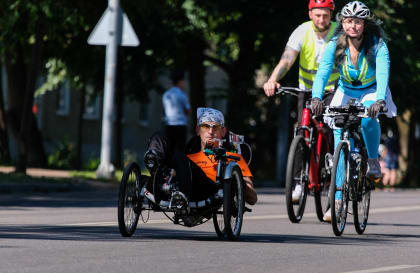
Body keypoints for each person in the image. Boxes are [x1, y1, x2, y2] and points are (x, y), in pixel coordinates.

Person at [310, 1, 397, 221]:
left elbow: (383, 73)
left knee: (369, 119)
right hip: (346, 89)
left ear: (364, 24)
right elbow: (323, 72)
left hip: (372, 90)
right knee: (338, 129)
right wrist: (317, 97)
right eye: (349, 21)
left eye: (358, 22)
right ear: (343, 23)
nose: (353, 26)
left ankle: (373, 160)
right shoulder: (335, 43)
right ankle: (338, 197)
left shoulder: (377, 44)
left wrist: (379, 100)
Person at [263, 0, 339, 202]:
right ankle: (297, 182)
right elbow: (287, 59)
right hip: (305, 89)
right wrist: (272, 80)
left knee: (331, 130)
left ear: (331, 14)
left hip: (332, 90)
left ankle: (332, 174)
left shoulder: (340, 32)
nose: (321, 19)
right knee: (301, 131)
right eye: (317, 15)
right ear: (310, 14)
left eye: (325, 15)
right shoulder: (301, 31)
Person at [145, 107, 258, 206]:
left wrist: (237, 183)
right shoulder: (188, 157)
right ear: (198, 130)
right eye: (205, 126)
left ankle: (180, 191)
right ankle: (156, 173)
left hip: (207, 189)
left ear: (223, 132)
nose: (210, 131)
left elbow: (253, 198)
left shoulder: (232, 158)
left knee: (180, 157)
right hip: (177, 184)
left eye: (216, 127)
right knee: (159, 136)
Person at [162, 69, 191, 152]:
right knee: (180, 150)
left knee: (169, 149)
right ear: (180, 82)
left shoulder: (166, 94)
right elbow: (188, 111)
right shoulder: (182, 95)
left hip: (168, 125)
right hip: (180, 126)